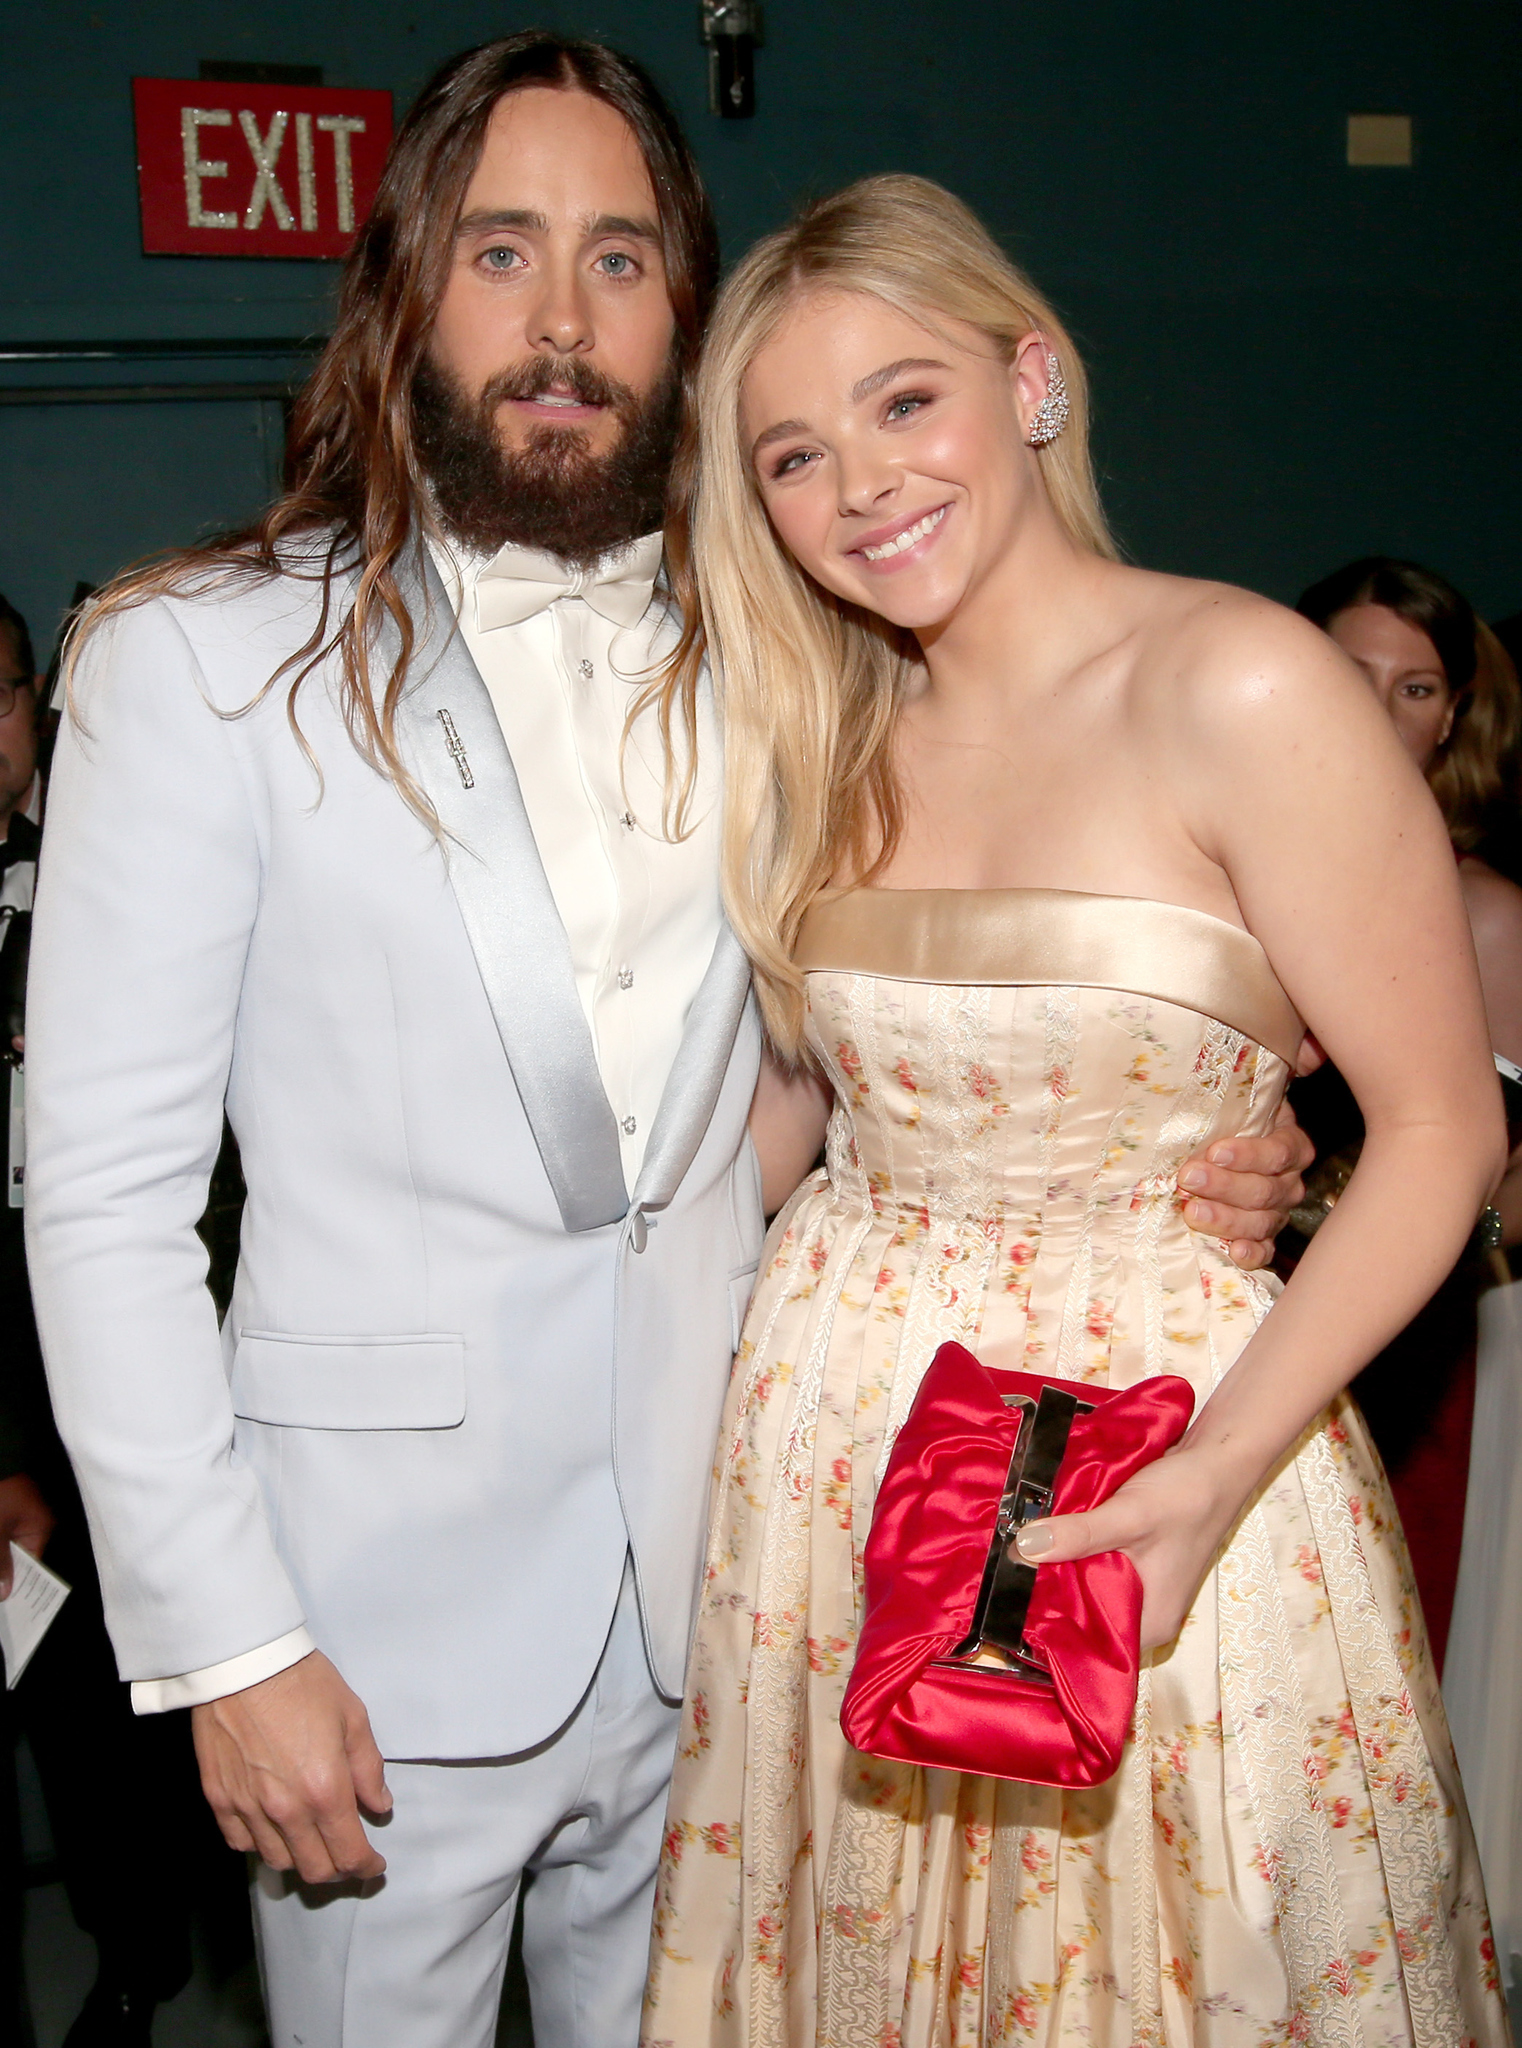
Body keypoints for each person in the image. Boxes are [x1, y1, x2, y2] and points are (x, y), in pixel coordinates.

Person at [21, 45, 1304, 2048]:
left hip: (744, 1579)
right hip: (363, 1634)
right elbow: (99, 1198)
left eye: (616, 259)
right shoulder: (194, 665)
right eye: (498, 252)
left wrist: (1212, 1150)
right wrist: (224, 1637)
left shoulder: (803, 656)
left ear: (685, 313)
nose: (557, 322)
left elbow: (909, 1042)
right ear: (400, 298)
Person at [642, 177, 1509, 2045]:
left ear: (1030, 379)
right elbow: (777, 1133)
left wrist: (1212, 1475)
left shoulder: (1243, 681)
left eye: (903, 400)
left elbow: (1442, 1128)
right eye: (791, 455)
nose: (860, 485)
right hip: (840, 1472)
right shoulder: (818, 731)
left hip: (1175, 1457)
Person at [0, 594, 237, 2048]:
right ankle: (131, 1954)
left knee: (164, 1666)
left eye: (0, 692)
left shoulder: (128, 853)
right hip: (5, 1339)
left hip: (157, 1309)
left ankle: (182, 1940)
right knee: (67, 1692)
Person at [1298, 557, 1522, 2019]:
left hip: (1426, 1355)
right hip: (1231, 1340)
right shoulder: (1221, 874)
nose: (1379, 714)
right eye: (1351, 673)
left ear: (1454, 722)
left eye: (1416, 686)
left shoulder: (1485, 916)